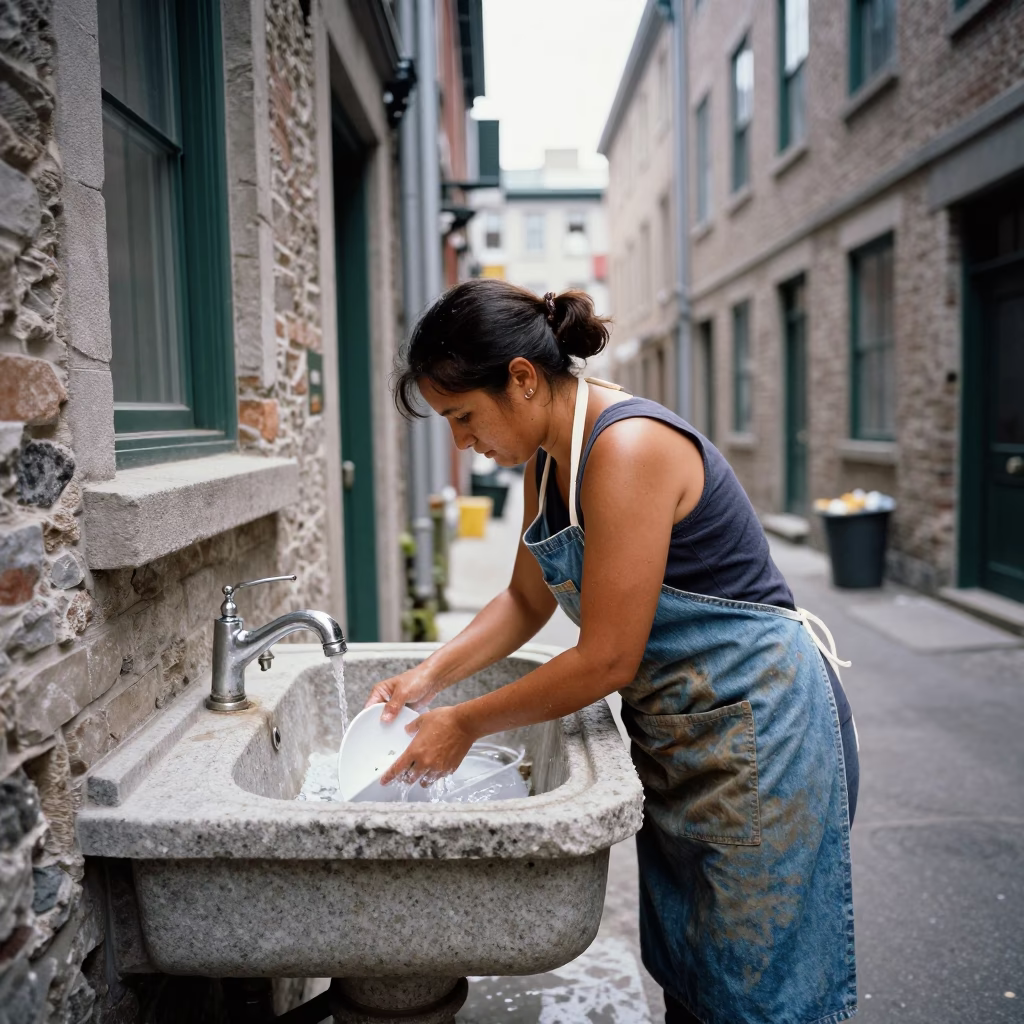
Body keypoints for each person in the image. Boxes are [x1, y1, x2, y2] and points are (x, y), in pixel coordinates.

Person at [366, 279, 859, 1024]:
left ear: (523, 379)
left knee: (761, 996)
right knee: (694, 971)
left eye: (463, 417)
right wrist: (429, 676)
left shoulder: (626, 448)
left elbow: (605, 661)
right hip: (687, 736)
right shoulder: (547, 460)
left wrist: (462, 724)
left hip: (765, 736)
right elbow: (525, 601)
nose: (462, 443)